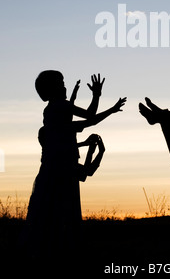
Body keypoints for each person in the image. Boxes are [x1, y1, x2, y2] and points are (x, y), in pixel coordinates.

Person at [25, 70, 126, 259]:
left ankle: (49, 250)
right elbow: (91, 116)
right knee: (62, 210)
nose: (64, 86)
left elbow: (70, 122)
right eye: (61, 83)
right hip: (62, 170)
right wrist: (100, 99)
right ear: (53, 87)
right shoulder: (60, 108)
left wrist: (75, 95)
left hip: (54, 168)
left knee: (50, 211)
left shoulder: (52, 111)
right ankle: (60, 252)